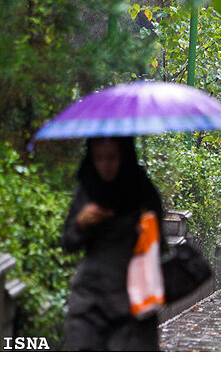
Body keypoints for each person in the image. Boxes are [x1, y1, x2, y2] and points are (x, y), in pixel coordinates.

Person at [62, 137, 165, 351]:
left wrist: (142, 232)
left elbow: (160, 247)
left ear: (124, 157)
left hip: (133, 301)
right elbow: (68, 242)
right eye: (99, 158)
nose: (105, 165)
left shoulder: (141, 191)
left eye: (112, 158)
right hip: (90, 300)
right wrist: (82, 223)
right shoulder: (88, 188)